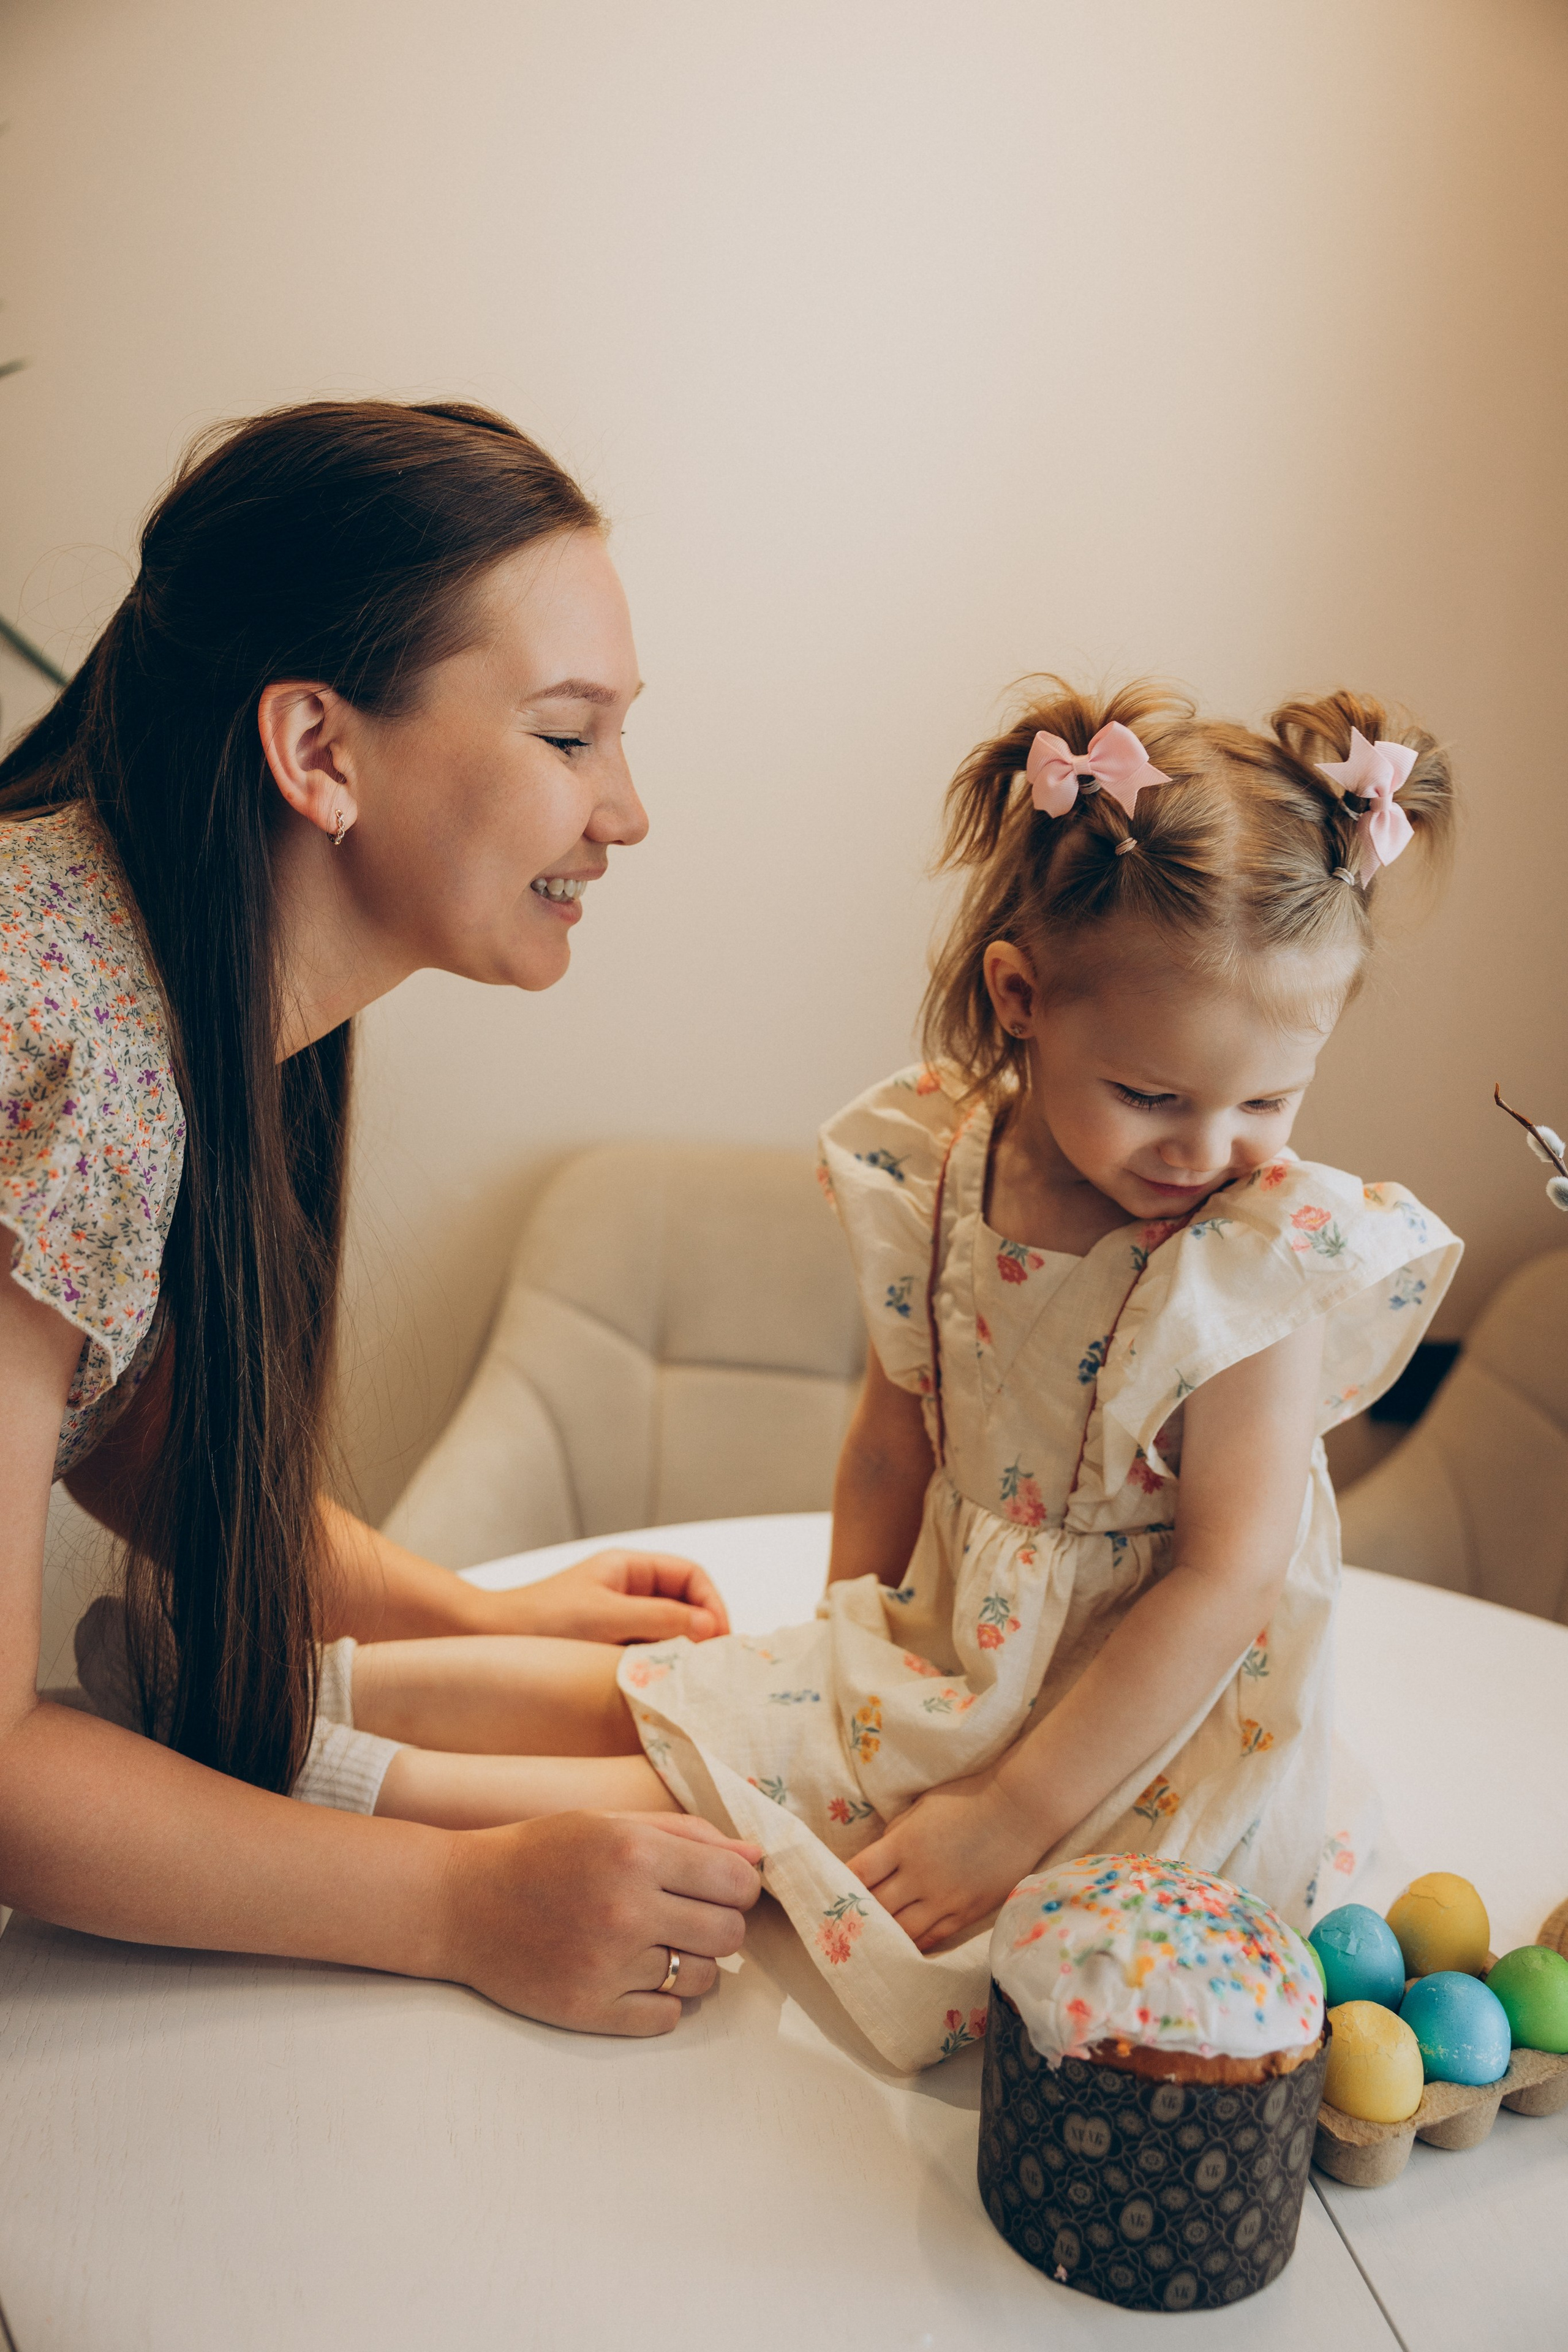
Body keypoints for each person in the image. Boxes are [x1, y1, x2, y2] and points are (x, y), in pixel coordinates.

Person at [307, 677, 1462, 2071]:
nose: (1207, 1150)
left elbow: (1223, 1585)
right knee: (714, 1703)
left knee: (755, 1808)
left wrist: (1009, 1813)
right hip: (952, 1651)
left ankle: (355, 1782)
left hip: (1128, 1733)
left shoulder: (1248, 1264)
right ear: (1020, 999)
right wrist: (846, 1643)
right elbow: (889, 1435)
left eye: (1266, 1101)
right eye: (1153, 1095)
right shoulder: (944, 1168)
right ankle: (301, 1687)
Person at [0, 398, 761, 2035]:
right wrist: (464, 1906)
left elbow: (122, 1420)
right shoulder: (71, 1040)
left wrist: (469, 1615)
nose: (623, 813)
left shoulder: (159, 959)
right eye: (569, 738)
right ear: (318, 753)